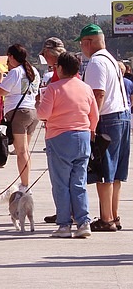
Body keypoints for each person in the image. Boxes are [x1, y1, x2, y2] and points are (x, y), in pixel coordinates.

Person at [36, 52, 98, 238]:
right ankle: (83, 222)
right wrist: (90, 131)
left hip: (59, 137)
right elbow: (94, 115)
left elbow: (42, 114)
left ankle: (64, 225)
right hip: (83, 136)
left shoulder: (53, 88)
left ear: (60, 68)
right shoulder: (86, 88)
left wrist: (39, 105)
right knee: (78, 182)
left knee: (61, 183)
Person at [78, 24, 130, 232]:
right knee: (117, 173)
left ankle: (106, 218)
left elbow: (97, 94)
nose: (82, 48)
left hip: (107, 118)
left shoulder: (96, 62)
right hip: (122, 116)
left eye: (82, 44)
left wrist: (92, 123)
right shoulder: (110, 59)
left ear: (88, 42)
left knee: (103, 171)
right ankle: (114, 215)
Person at [0, 44, 40, 192]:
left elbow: (1, 91)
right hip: (32, 112)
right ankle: (26, 181)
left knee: (20, 151)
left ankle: (25, 184)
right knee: (26, 151)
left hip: (18, 113)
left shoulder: (15, 72)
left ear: (11, 56)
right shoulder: (33, 71)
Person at [38, 37, 67, 224]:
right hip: (68, 128)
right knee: (71, 178)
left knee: (60, 178)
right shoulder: (68, 71)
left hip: (57, 128)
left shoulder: (57, 74)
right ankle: (66, 211)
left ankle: (64, 213)